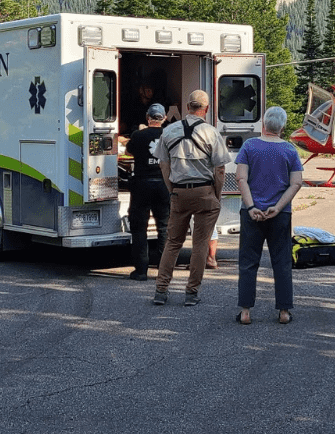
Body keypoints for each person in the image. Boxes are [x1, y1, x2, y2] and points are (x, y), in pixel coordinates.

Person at [152, 90, 231, 307]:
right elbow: (220, 169)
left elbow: (163, 164)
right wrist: (217, 193)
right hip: (205, 191)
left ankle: (161, 289)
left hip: (179, 191)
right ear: (205, 109)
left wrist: (171, 189)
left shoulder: (168, 131)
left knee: (173, 242)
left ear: (187, 107)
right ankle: (191, 292)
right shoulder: (211, 132)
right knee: (200, 244)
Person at [234, 106, 303, 325]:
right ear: (282, 126)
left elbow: (241, 179)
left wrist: (252, 206)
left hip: (251, 213)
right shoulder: (290, 151)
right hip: (279, 215)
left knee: (248, 262)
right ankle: (284, 311)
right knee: (281, 262)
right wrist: (279, 207)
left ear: (263, 124)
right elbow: (296, 183)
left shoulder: (249, 146)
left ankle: (245, 311)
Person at [125, 103, 170, 281]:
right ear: (164, 118)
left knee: (139, 228)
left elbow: (129, 150)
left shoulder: (138, 135)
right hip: (163, 185)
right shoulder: (169, 136)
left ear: (147, 117)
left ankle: (141, 270)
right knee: (164, 228)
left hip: (142, 185)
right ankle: (163, 269)